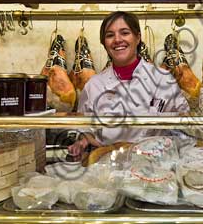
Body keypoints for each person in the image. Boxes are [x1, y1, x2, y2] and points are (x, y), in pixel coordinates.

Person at [67, 11, 190, 161]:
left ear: (137, 38)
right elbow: (85, 129)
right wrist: (82, 142)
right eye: (110, 35)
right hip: (108, 166)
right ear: (104, 43)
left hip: (154, 167)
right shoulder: (94, 86)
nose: (117, 40)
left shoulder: (163, 80)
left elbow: (183, 126)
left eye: (125, 33)